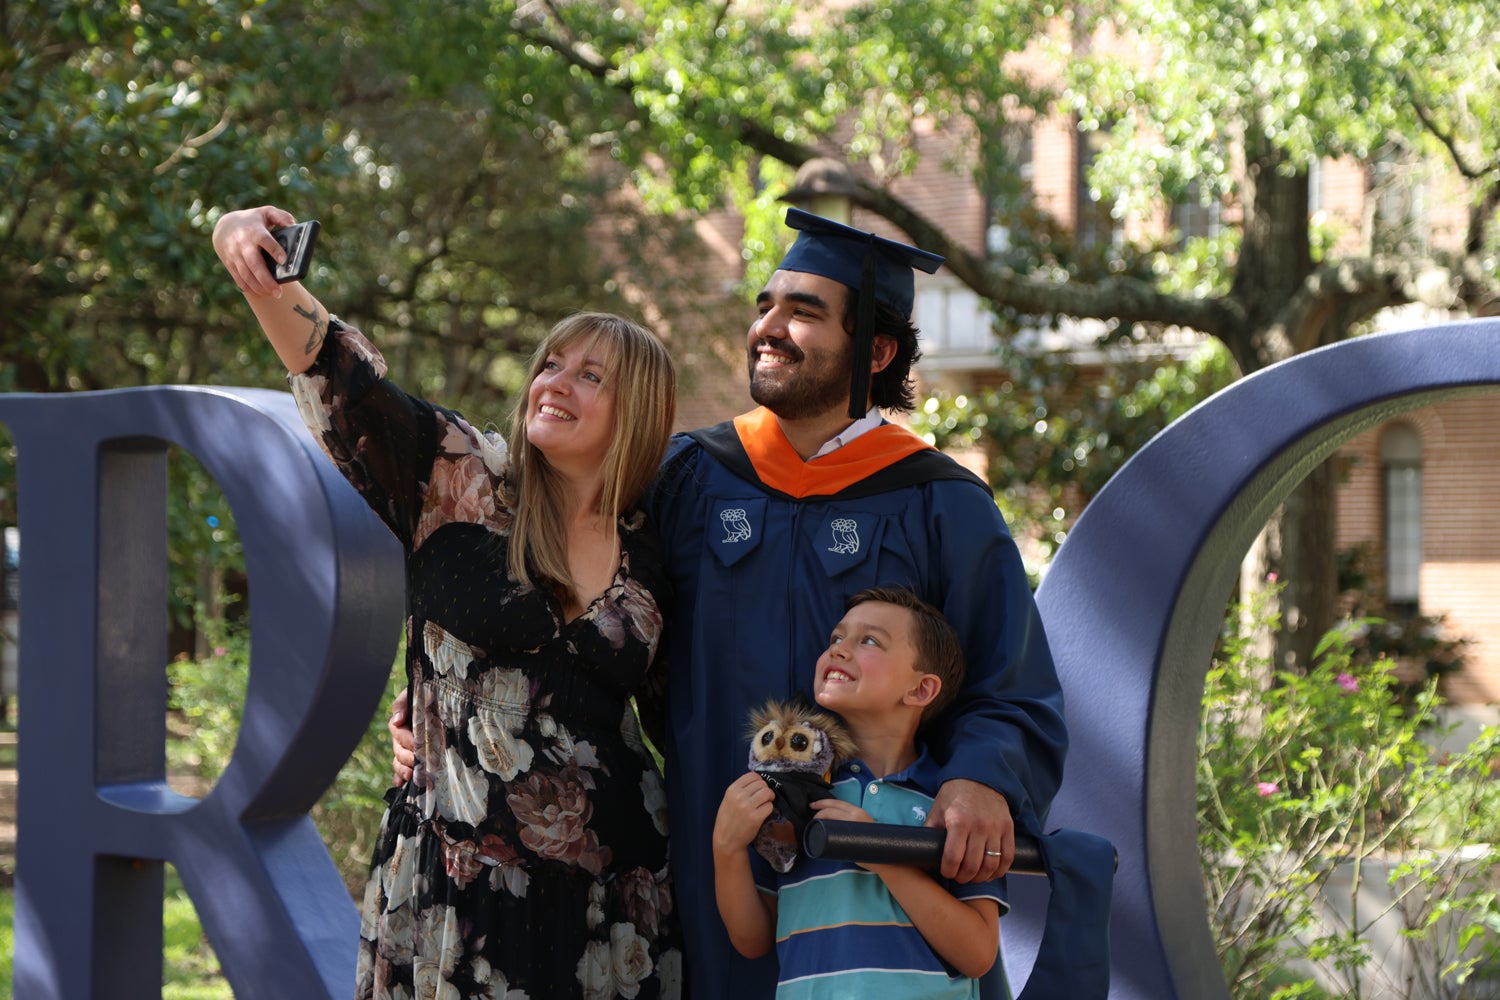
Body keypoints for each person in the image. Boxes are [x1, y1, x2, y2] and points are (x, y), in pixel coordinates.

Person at [395, 207, 1069, 998]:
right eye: (766, 307)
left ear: (876, 351)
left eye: (804, 313)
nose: (770, 328)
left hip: (880, 897)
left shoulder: (941, 506)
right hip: (715, 878)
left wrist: (983, 780)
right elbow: (569, 609)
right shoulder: (688, 478)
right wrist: (435, 706)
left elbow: (1009, 686)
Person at [213, 205, 684, 1000]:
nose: (553, 383)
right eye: (551, 363)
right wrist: (256, 266)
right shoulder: (459, 481)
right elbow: (343, 382)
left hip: (615, 906)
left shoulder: (657, 557)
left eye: (589, 375)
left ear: (634, 411)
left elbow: (684, 715)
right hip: (451, 889)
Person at [714, 587, 1002, 998]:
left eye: (869, 640)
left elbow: (978, 954)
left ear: (920, 690)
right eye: (835, 638)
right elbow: (753, 939)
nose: (839, 650)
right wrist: (725, 849)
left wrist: (883, 855)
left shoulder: (954, 805)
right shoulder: (794, 795)